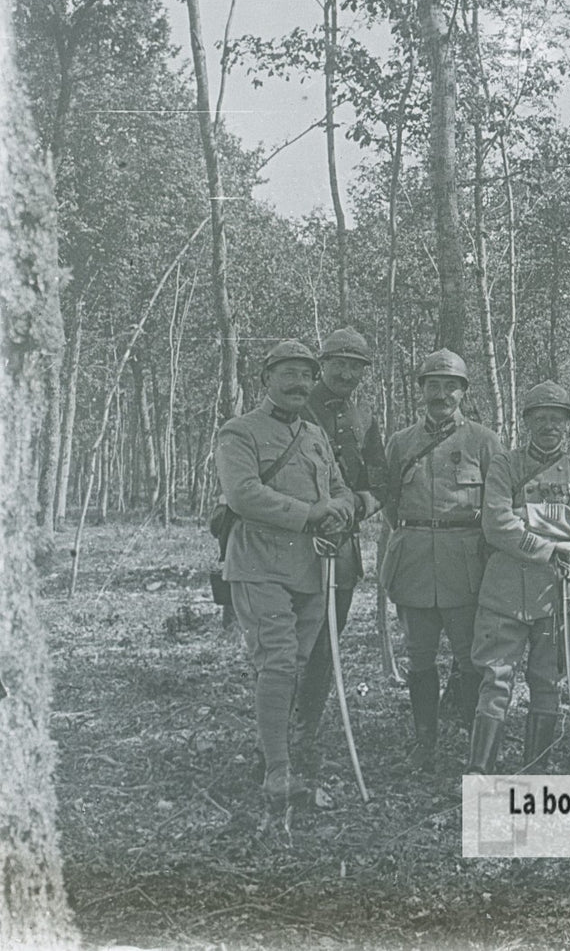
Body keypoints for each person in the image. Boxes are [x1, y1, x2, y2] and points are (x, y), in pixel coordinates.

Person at [215, 340, 353, 818]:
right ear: (266, 379)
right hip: (259, 562)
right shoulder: (239, 431)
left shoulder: (314, 435)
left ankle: (270, 748)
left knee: (293, 663)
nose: (299, 383)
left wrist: (342, 510)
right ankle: (277, 771)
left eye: (306, 375)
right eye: (288, 373)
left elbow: (339, 488)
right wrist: (310, 513)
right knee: (276, 661)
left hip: (311, 567)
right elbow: (242, 494)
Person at [380, 350, 503, 772]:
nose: (441, 393)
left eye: (451, 385)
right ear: (422, 390)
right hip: (414, 561)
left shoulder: (483, 442)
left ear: (463, 392)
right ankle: (424, 744)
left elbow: (500, 501)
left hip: (465, 564)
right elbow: (389, 502)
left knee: (471, 658)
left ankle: (475, 748)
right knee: (419, 657)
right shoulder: (401, 443)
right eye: (433, 384)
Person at [468, 382, 570, 774]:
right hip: (505, 591)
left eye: (557, 418)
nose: (549, 426)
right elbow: (495, 523)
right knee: (495, 678)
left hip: (558, 593)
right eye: (541, 418)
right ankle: (480, 771)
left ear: (568, 424)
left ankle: (534, 771)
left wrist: (526, 514)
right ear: (527, 423)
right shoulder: (505, 464)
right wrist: (547, 545)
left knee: (547, 680)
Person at [294, 326, 387, 771]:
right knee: (287, 645)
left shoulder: (364, 417)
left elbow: (379, 482)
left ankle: (305, 735)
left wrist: (355, 508)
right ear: (322, 365)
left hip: (342, 551)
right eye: (339, 364)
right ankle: (276, 737)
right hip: (293, 546)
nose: (347, 374)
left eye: (356, 367)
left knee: (325, 646)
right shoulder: (296, 405)